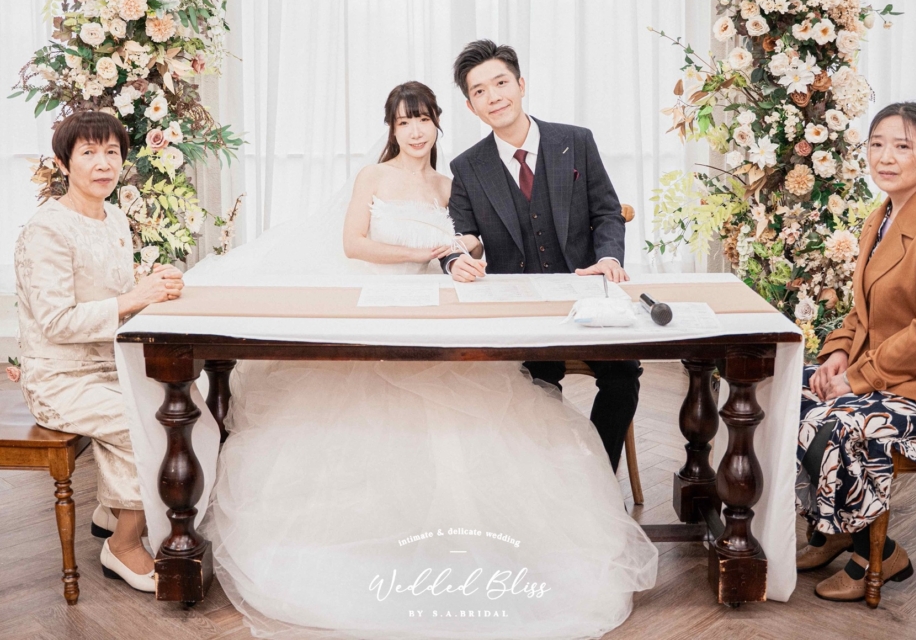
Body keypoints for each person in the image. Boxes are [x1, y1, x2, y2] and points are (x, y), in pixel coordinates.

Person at [200, 81, 657, 639]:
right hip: (379, 304)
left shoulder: (451, 184)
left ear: (439, 122)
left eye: (422, 120)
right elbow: (354, 244)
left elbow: (474, 238)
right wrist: (425, 252)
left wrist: (468, 253)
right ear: (391, 129)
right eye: (403, 121)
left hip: (437, 308)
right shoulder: (373, 177)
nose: (415, 131)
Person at [442, 39, 640, 473]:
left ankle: (597, 478)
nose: (493, 96)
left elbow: (607, 212)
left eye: (501, 83)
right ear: (471, 106)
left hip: (586, 297)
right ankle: (551, 480)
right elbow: (459, 235)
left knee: (624, 376)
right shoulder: (467, 167)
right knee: (534, 384)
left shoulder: (576, 141)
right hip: (521, 310)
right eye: (479, 91)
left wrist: (609, 259)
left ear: (521, 84)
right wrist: (457, 259)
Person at [14, 110, 184, 593]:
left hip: (110, 366)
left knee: (184, 405)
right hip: (59, 379)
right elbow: (55, 322)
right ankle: (123, 544)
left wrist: (154, 287)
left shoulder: (114, 218)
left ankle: (114, 510)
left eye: (112, 152)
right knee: (151, 423)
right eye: (88, 153)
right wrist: (134, 299)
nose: (103, 163)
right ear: (63, 164)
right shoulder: (48, 230)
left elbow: (114, 293)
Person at [795, 101, 916, 602]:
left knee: (837, 423)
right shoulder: (881, 215)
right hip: (876, 372)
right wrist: (837, 356)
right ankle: (835, 529)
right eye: (877, 144)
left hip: (910, 384)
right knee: (783, 392)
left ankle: (878, 554)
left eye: (902, 146)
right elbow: (861, 312)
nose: (885, 157)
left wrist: (856, 380)